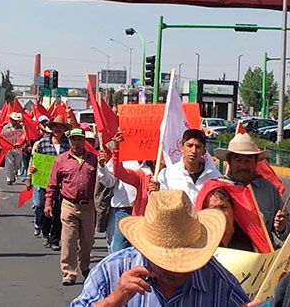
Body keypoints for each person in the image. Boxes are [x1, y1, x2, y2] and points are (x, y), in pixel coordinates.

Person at [71, 190, 250, 307]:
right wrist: (114, 300)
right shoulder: (112, 270)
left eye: (185, 263)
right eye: (166, 263)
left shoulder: (218, 281)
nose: (176, 271)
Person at [214, 132, 289, 247]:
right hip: (224, 257)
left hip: (261, 257)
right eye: (238, 160)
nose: (244, 166)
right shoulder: (217, 190)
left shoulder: (268, 189)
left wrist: (282, 227)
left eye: (248, 160)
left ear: (255, 162)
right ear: (229, 161)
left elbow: (285, 230)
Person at [45, 128, 98, 285]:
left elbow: (103, 180)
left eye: (80, 139)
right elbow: (52, 184)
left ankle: (85, 266)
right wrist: (48, 203)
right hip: (68, 204)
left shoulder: (93, 159)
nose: (77, 142)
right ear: (69, 142)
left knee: (88, 240)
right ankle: (69, 272)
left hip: (88, 206)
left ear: (84, 141)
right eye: (73, 139)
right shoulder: (61, 160)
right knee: (68, 240)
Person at [25, 115, 70, 250]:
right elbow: (34, 160)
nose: (58, 129)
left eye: (61, 127)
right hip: (45, 182)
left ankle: (55, 239)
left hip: (63, 183)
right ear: (52, 128)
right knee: (44, 207)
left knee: (59, 211)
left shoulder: (68, 144)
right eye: (56, 127)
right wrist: (29, 175)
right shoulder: (42, 143)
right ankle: (45, 232)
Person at [157, 129, 221, 204]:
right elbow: (159, 204)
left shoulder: (215, 177)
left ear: (203, 151)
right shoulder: (167, 175)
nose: (193, 151)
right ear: (181, 147)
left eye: (198, 147)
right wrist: (154, 191)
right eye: (189, 145)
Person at [201, 187, 255, 251]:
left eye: (223, 207)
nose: (220, 214)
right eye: (213, 210)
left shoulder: (251, 236)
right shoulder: (203, 243)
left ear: (233, 209)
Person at [2, 112, 24, 185]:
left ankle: (14, 173)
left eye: (16, 120)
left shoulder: (20, 127)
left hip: (18, 148)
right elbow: (2, 137)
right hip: (8, 149)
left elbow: (23, 137)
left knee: (17, 164)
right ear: (10, 119)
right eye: (13, 120)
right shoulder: (5, 127)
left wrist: (19, 143)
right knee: (9, 163)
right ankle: (9, 179)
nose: (15, 121)